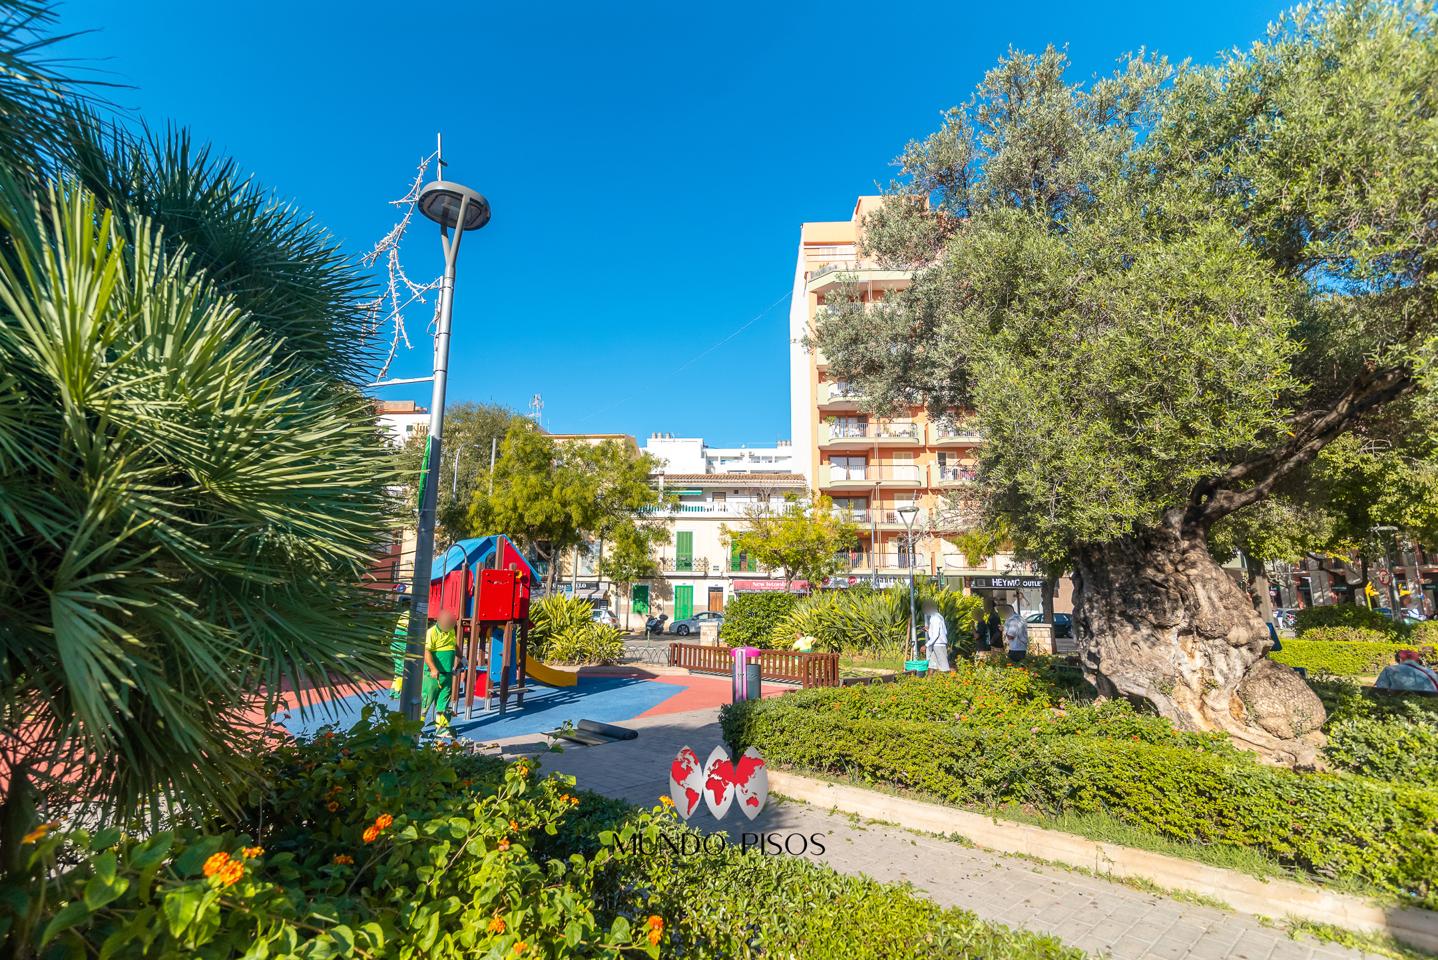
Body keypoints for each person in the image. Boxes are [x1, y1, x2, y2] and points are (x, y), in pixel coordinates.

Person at [423, 610, 459, 733]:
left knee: (443, 702)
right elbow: (426, 651)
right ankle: (415, 729)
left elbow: (453, 645)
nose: (450, 626)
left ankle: (442, 729)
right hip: (433, 675)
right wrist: (433, 668)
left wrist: (461, 657)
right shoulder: (431, 633)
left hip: (447, 673)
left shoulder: (450, 631)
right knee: (425, 702)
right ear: (440, 622)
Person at [389, 593, 411, 699]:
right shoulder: (410, 615)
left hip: (396, 645)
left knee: (398, 670)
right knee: (401, 670)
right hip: (401, 646)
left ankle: (393, 692)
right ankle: (397, 692)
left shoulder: (403, 614)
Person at [923, 600, 949, 673]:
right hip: (937, 645)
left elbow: (936, 635)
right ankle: (928, 682)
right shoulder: (939, 616)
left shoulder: (935, 618)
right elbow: (944, 631)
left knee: (944, 668)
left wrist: (926, 645)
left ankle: (949, 682)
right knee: (931, 666)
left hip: (939, 645)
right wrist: (929, 629)